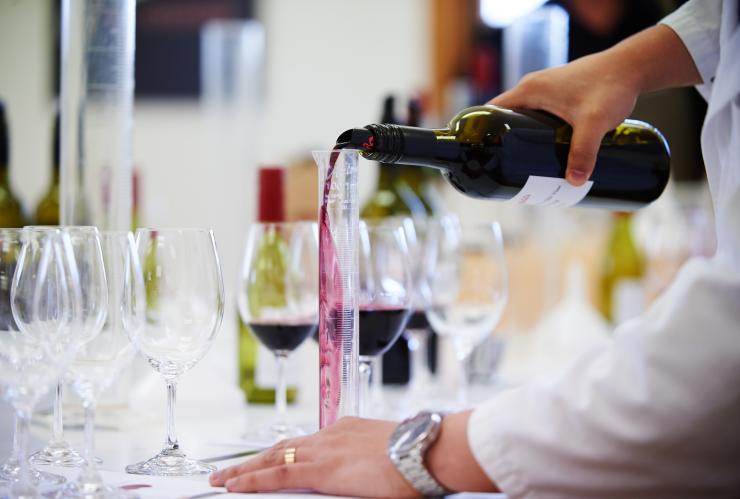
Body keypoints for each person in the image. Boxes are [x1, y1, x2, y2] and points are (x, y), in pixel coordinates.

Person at [210, 0, 740, 496]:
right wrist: (632, 63)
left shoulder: (474, 149)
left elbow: (719, 357)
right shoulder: (473, 155)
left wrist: (426, 452)